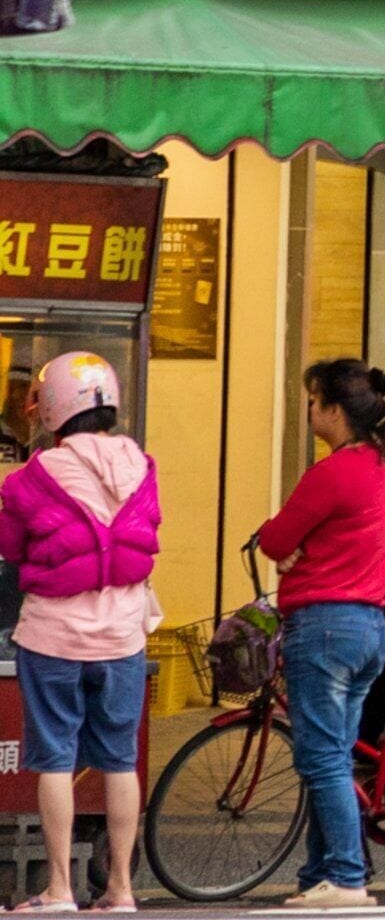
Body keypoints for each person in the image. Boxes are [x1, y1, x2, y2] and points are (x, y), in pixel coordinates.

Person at [0, 354, 158, 913]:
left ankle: (60, 890)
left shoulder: (35, 475)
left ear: (54, 407)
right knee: (119, 761)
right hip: (123, 639)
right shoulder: (141, 465)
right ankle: (121, 890)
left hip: (54, 639)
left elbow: (12, 548)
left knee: (56, 761)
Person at [255, 360, 385, 906]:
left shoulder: (333, 472)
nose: (310, 408)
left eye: (315, 400)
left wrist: (291, 550)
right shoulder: (375, 466)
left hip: (324, 629)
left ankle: (345, 875)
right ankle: (319, 874)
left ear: (336, 411)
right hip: (368, 626)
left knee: (320, 758)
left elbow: (275, 539)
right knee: (334, 757)